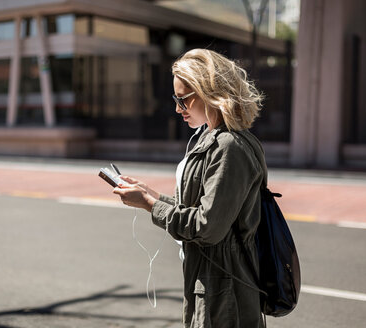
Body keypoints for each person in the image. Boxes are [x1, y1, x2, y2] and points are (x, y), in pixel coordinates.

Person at [113, 48, 266, 328]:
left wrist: (149, 204)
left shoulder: (229, 146)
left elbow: (207, 226)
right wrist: (151, 195)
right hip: (210, 281)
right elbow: (202, 208)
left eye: (182, 99)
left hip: (225, 291)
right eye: (175, 99)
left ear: (209, 92)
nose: (177, 109)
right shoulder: (210, 137)